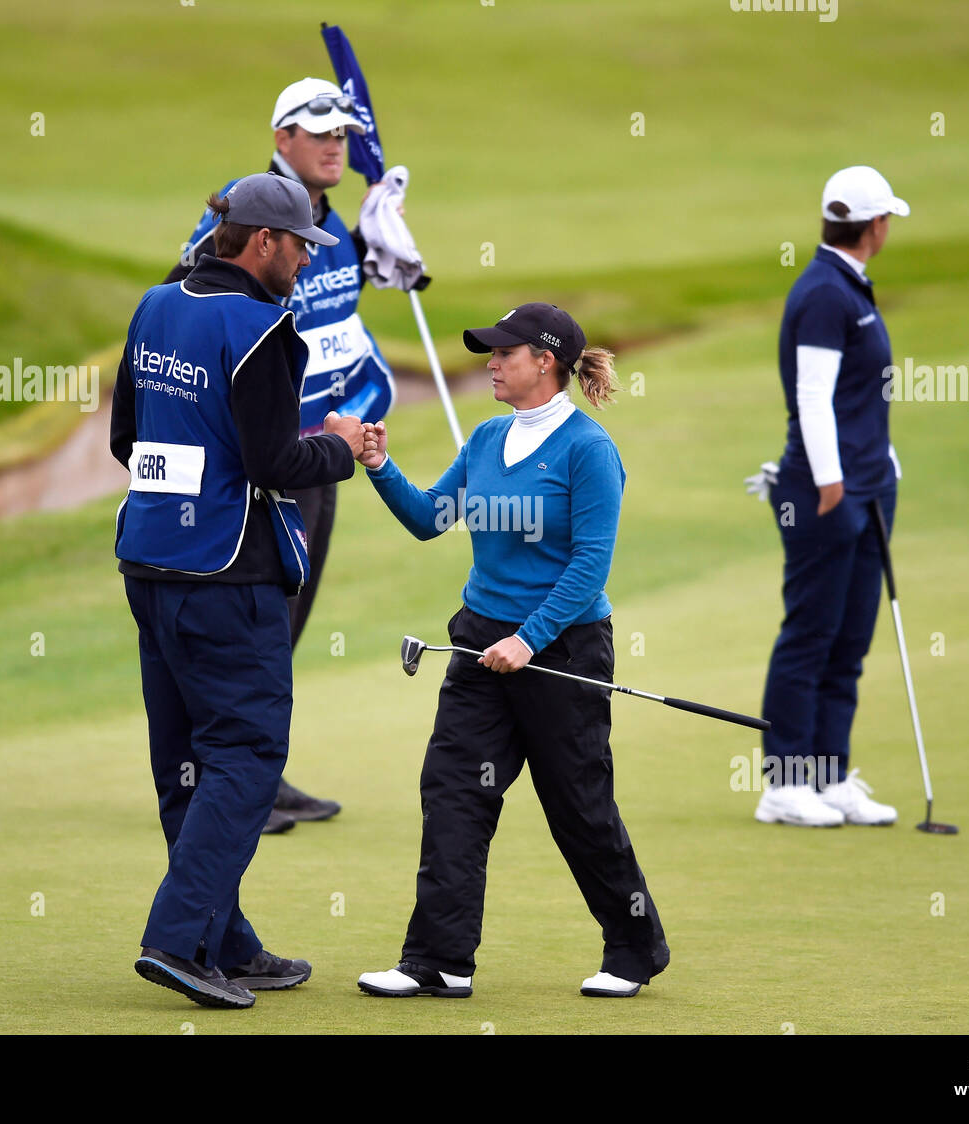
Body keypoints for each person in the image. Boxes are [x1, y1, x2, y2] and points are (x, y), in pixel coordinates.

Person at [354, 303, 670, 999]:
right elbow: (430, 519)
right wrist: (379, 464)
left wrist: (529, 640)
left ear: (546, 362)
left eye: (504, 352)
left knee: (578, 806)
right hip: (477, 641)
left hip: (563, 650)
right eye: (489, 352)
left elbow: (590, 564)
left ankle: (634, 948)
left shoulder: (589, 451)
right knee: (454, 794)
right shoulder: (489, 436)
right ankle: (438, 959)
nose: (491, 362)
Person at [111, 172, 364, 1008]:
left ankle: (226, 941)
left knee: (186, 766)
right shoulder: (262, 328)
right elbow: (275, 463)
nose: (305, 262)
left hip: (149, 569)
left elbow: (125, 439)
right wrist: (341, 446)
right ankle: (178, 941)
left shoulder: (155, 305)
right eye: (299, 247)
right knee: (247, 758)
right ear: (263, 243)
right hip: (232, 578)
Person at [164, 77, 403, 833]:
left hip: (316, 459)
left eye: (344, 131)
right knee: (252, 630)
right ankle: (219, 778)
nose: (336, 143)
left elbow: (344, 332)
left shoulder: (332, 227)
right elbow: (180, 309)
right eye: (319, 130)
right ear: (282, 139)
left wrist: (380, 245)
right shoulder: (245, 219)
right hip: (257, 468)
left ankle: (255, 771)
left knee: (283, 630)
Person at [753, 165, 909, 828]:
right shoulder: (823, 292)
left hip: (869, 487)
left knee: (849, 637)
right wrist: (831, 485)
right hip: (828, 492)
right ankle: (784, 783)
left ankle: (829, 773)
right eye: (887, 219)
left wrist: (884, 465)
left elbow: (859, 400)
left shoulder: (850, 286)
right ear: (874, 226)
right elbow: (812, 398)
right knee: (811, 634)